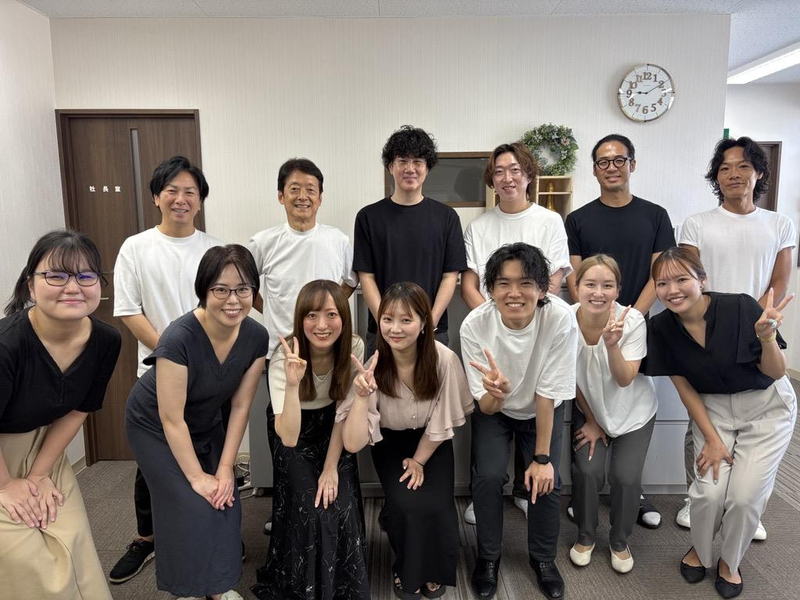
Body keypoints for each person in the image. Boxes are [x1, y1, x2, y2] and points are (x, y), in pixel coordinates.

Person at [645, 247, 796, 599]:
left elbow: (775, 372)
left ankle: (730, 561)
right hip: (713, 410)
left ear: (702, 280)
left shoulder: (740, 307)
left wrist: (766, 337)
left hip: (766, 407)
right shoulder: (661, 328)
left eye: (681, 279)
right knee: (709, 492)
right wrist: (712, 439)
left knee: (743, 498)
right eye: (662, 283)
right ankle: (700, 551)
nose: (672, 290)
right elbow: (684, 388)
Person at [125, 245, 269, 600]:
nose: (233, 300)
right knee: (189, 503)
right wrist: (196, 477)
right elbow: (171, 418)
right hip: (154, 426)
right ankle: (188, 590)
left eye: (243, 289)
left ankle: (218, 587)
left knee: (225, 500)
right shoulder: (180, 337)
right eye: (221, 289)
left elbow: (240, 406)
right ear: (203, 290)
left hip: (205, 421)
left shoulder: (256, 336)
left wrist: (225, 468)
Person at [111, 155, 224, 583]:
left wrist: (204, 362)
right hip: (158, 372)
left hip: (211, 375)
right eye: (172, 191)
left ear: (200, 200)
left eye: (190, 192)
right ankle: (147, 537)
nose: (181, 199)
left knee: (210, 451)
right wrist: (174, 356)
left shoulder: (214, 250)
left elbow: (227, 309)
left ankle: (214, 529)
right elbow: (128, 310)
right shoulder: (135, 247)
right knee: (153, 461)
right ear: (157, 197)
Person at [677, 136, 796, 536]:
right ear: (716, 176)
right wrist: (714, 325)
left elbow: (780, 281)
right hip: (705, 333)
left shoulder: (779, 224)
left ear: (758, 173)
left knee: (755, 421)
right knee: (701, 417)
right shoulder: (696, 223)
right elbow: (690, 280)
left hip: (758, 330)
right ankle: (695, 498)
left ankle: (750, 508)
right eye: (725, 168)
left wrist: (751, 322)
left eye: (743, 166)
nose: (734, 174)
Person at [0, 230, 121, 599]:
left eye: (85, 275)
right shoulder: (7, 344)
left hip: (45, 449)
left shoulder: (106, 340)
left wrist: (38, 474)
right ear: (31, 285)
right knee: (27, 559)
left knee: (72, 537)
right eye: (56, 275)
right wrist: (6, 486)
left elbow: (78, 409)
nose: (73, 287)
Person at [565, 133, 674, 529]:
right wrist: (594, 313)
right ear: (594, 170)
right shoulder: (578, 219)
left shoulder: (655, 215)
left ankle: (632, 492)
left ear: (632, 164)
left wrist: (630, 317)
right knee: (590, 387)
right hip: (591, 320)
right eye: (603, 161)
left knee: (629, 395)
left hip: (635, 322)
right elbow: (576, 276)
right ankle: (586, 494)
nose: (611, 167)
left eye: (619, 160)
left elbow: (659, 273)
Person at [338, 282, 473, 599]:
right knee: (407, 505)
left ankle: (434, 571)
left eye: (406, 320)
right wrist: (361, 397)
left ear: (425, 323)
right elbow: (353, 444)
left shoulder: (444, 359)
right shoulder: (372, 364)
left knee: (438, 506)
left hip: (433, 442)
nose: (395, 329)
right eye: (387, 319)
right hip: (391, 443)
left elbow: (443, 418)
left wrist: (420, 460)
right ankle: (408, 569)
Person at [461, 142, 572, 524]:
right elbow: (470, 284)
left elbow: (552, 282)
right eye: (498, 171)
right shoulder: (479, 226)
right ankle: (485, 494)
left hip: (537, 329)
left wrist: (525, 316)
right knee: (488, 403)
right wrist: (496, 321)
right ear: (491, 180)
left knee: (537, 407)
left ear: (528, 175)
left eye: (514, 170)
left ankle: (528, 490)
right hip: (493, 332)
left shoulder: (549, 221)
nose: (507, 178)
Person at [461, 243, 578, 600]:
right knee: (488, 476)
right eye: (503, 283)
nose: (514, 293)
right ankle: (488, 558)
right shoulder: (475, 325)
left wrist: (541, 460)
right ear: (490, 289)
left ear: (542, 289)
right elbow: (485, 407)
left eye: (525, 283)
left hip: (542, 406)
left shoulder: (559, 318)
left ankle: (543, 559)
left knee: (547, 481)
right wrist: (497, 393)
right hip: (495, 410)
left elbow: (547, 393)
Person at [249, 157, 358, 534]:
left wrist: (326, 320)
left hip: (330, 354)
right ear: (280, 196)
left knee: (331, 425)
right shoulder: (263, 241)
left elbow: (349, 283)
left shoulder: (337, 240)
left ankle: (333, 495)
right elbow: (246, 288)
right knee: (285, 436)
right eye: (294, 189)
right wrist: (273, 315)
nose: (302, 196)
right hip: (284, 356)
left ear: (321, 198)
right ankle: (285, 509)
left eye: (311, 189)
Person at [251, 280, 369, 600]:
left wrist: (330, 468)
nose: (321, 325)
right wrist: (293, 384)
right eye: (312, 315)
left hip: (334, 428)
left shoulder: (354, 348)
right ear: (300, 319)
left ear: (343, 317)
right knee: (311, 505)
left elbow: (343, 413)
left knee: (339, 503)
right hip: (292, 428)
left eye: (331, 314)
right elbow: (288, 436)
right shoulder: (285, 357)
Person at [568, 255, 657, 573]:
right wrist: (592, 421)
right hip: (590, 409)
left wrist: (612, 345)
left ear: (618, 290)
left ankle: (619, 541)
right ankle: (586, 536)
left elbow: (625, 379)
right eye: (590, 284)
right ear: (576, 286)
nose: (598, 293)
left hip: (634, 412)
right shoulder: (564, 320)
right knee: (587, 471)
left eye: (607, 285)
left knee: (625, 477)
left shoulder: (631, 322)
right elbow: (568, 377)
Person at [353, 125, 467, 357]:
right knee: (378, 382)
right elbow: (366, 277)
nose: (410, 169)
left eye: (417, 162)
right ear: (390, 166)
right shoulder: (368, 217)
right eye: (402, 161)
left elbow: (450, 276)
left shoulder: (446, 217)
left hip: (432, 330)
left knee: (434, 382)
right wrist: (386, 323)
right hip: (382, 333)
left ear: (427, 167)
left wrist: (428, 322)